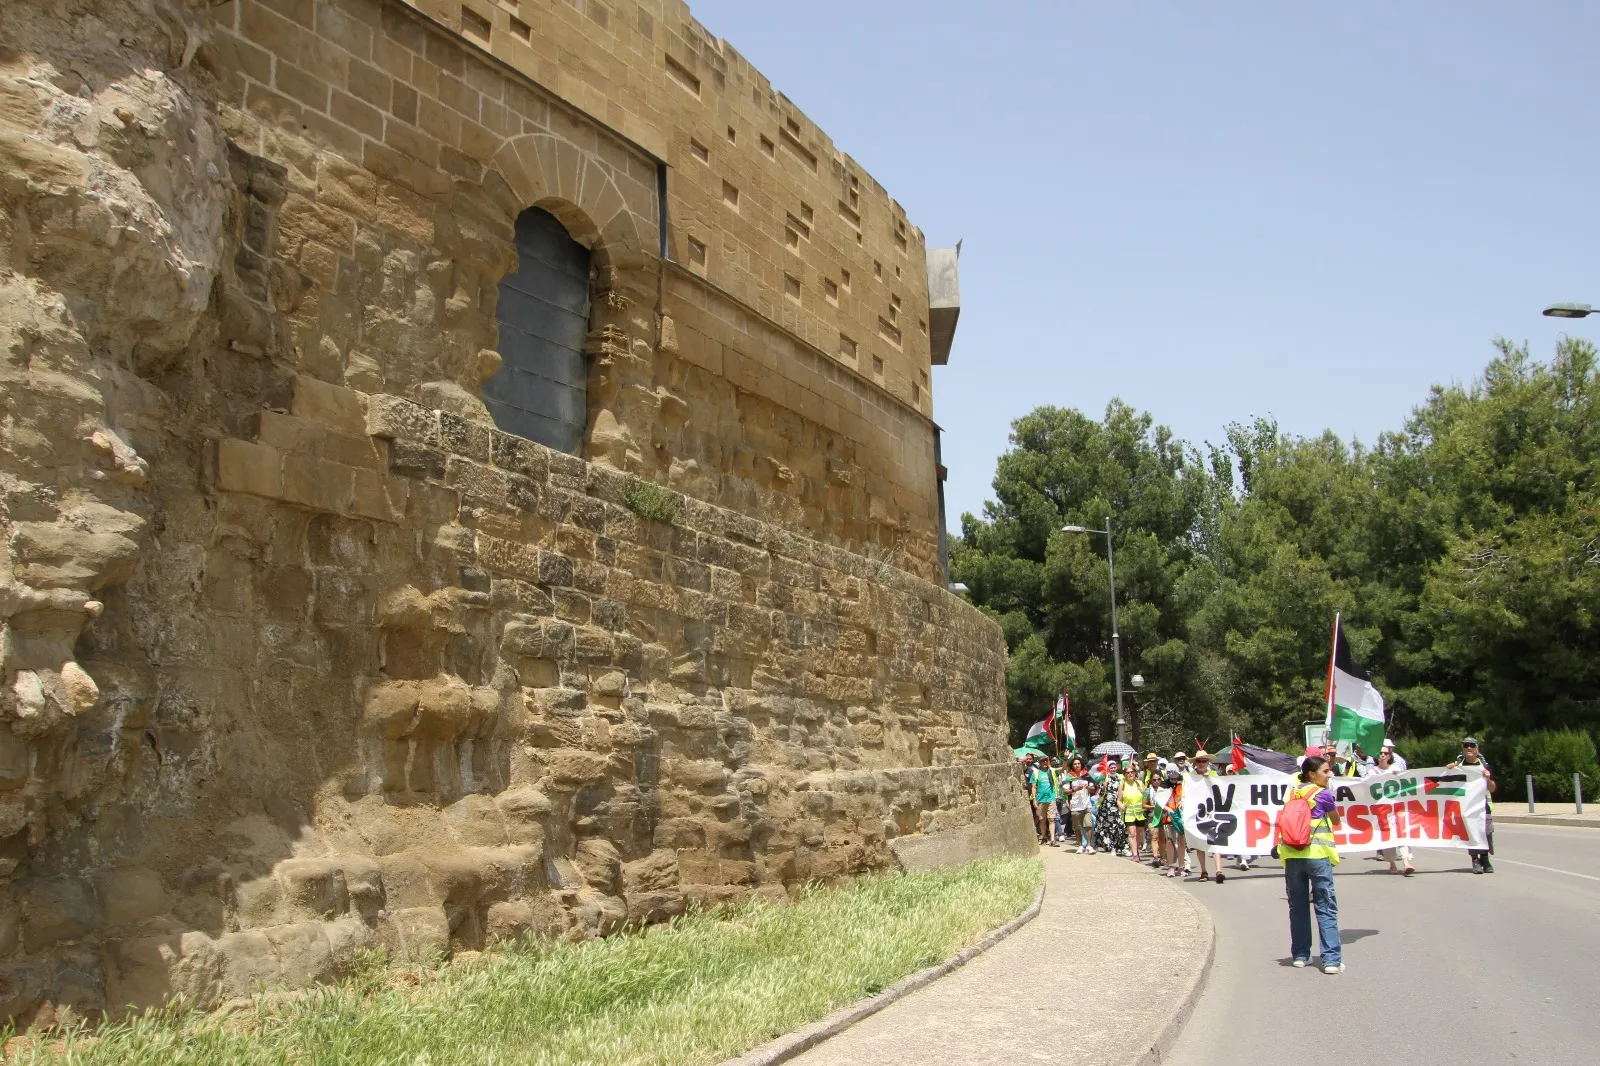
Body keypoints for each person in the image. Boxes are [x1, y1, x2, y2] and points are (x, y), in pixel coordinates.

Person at [1281, 754, 1343, 973]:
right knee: (1325, 906)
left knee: (1297, 907)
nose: (1329, 775)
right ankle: (1331, 960)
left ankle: (1300, 955)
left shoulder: (1292, 793)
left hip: (1292, 856)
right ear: (1311, 774)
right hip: (1316, 856)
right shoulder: (1323, 794)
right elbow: (1336, 821)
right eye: (1325, 771)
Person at [1450, 737, 1496, 873]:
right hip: (1466, 806)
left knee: (1486, 832)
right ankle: (1475, 859)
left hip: (1483, 806)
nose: (1469, 748)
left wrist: (1488, 778)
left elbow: (1492, 788)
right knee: (1471, 832)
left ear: (1477, 749)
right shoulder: (1458, 767)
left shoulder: (1485, 766)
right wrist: (1449, 770)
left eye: (1472, 746)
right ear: (1463, 749)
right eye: (1466, 746)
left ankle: (1485, 858)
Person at [1372, 746, 1414, 875]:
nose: (1383, 755)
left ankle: (1406, 862)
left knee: (1402, 833)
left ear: (1390, 756)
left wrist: (1399, 776)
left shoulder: (1396, 769)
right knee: (1387, 835)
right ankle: (1392, 863)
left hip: (1397, 807)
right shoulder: (1372, 772)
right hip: (1382, 810)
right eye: (1380, 753)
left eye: (1386, 753)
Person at [1189, 750, 1223, 882]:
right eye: (1199, 761)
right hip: (1197, 812)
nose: (1201, 763)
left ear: (1208, 762)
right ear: (1195, 763)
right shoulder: (1190, 776)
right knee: (1199, 843)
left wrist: (1209, 778)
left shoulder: (1214, 774)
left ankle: (1219, 870)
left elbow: (1221, 790)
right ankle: (1204, 871)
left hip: (1213, 811)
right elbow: (1187, 792)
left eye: (1204, 761)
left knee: (1215, 841)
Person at [1093, 757, 1130, 856]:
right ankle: (1111, 847)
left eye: (1114, 767)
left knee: (1120, 826)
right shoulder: (1104, 777)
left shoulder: (1120, 778)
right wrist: (1103, 786)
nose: (1113, 769)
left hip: (1117, 806)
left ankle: (1123, 847)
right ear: (1108, 768)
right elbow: (1099, 794)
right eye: (1111, 768)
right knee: (1108, 828)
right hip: (1106, 808)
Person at [1066, 755, 1094, 852]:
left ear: (1081, 764)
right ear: (1072, 766)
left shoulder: (1086, 775)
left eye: (1078, 763)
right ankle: (1080, 846)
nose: (1077, 765)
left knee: (1088, 825)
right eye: (1075, 764)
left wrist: (1088, 787)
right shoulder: (1069, 777)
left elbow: (1094, 788)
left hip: (1086, 804)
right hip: (1075, 805)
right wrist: (1074, 789)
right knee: (1077, 827)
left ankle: (1089, 846)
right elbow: (1065, 791)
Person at [1030, 756, 1059, 845]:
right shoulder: (1036, 773)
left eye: (1046, 761)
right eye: (1043, 761)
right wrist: (1034, 799)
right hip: (1040, 799)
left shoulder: (1052, 771)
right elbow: (1034, 787)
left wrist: (1065, 759)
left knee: (1051, 819)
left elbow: (1064, 768)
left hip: (1051, 798)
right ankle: (1044, 836)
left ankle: (1053, 839)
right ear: (1039, 763)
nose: (1045, 762)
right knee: (1042, 820)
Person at [1121, 766, 1148, 863]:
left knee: (1140, 833)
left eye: (1131, 772)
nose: (1130, 774)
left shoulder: (1140, 783)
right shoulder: (1123, 785)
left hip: (1140, 813)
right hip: (1129, 814)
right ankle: (1135, 854)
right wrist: (1121, 806)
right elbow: (1119, 800)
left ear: (1135, 773)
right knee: (1132, 833)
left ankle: (1136, 849)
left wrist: (1144, 792)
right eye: (1127, 773)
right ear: (1125, 775)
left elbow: (1147, 797)